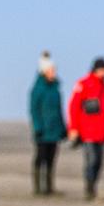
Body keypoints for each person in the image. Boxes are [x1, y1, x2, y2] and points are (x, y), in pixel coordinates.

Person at [67, 56, 104, 201]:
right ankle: (89, 189)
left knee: (99, 162)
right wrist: (73, 128)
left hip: (102, 132)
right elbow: (74, 107)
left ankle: (93, 186)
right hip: (87, 132)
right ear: (95, 69)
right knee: (91, 161)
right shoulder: (83, 84)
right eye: (102, 69)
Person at [28, 51, 67, 196]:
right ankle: (38, 187)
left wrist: (63, 128)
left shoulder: (56, 89)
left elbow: (59, 111)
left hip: (54, 130)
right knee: (41, 158)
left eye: (54, 70)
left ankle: (49, 187)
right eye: (51, 70)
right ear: (44, 71)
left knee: (51, 159)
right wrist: (37, 127)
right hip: (43, 131)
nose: (53, 73)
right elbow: (34, 110)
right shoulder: (38, 89)